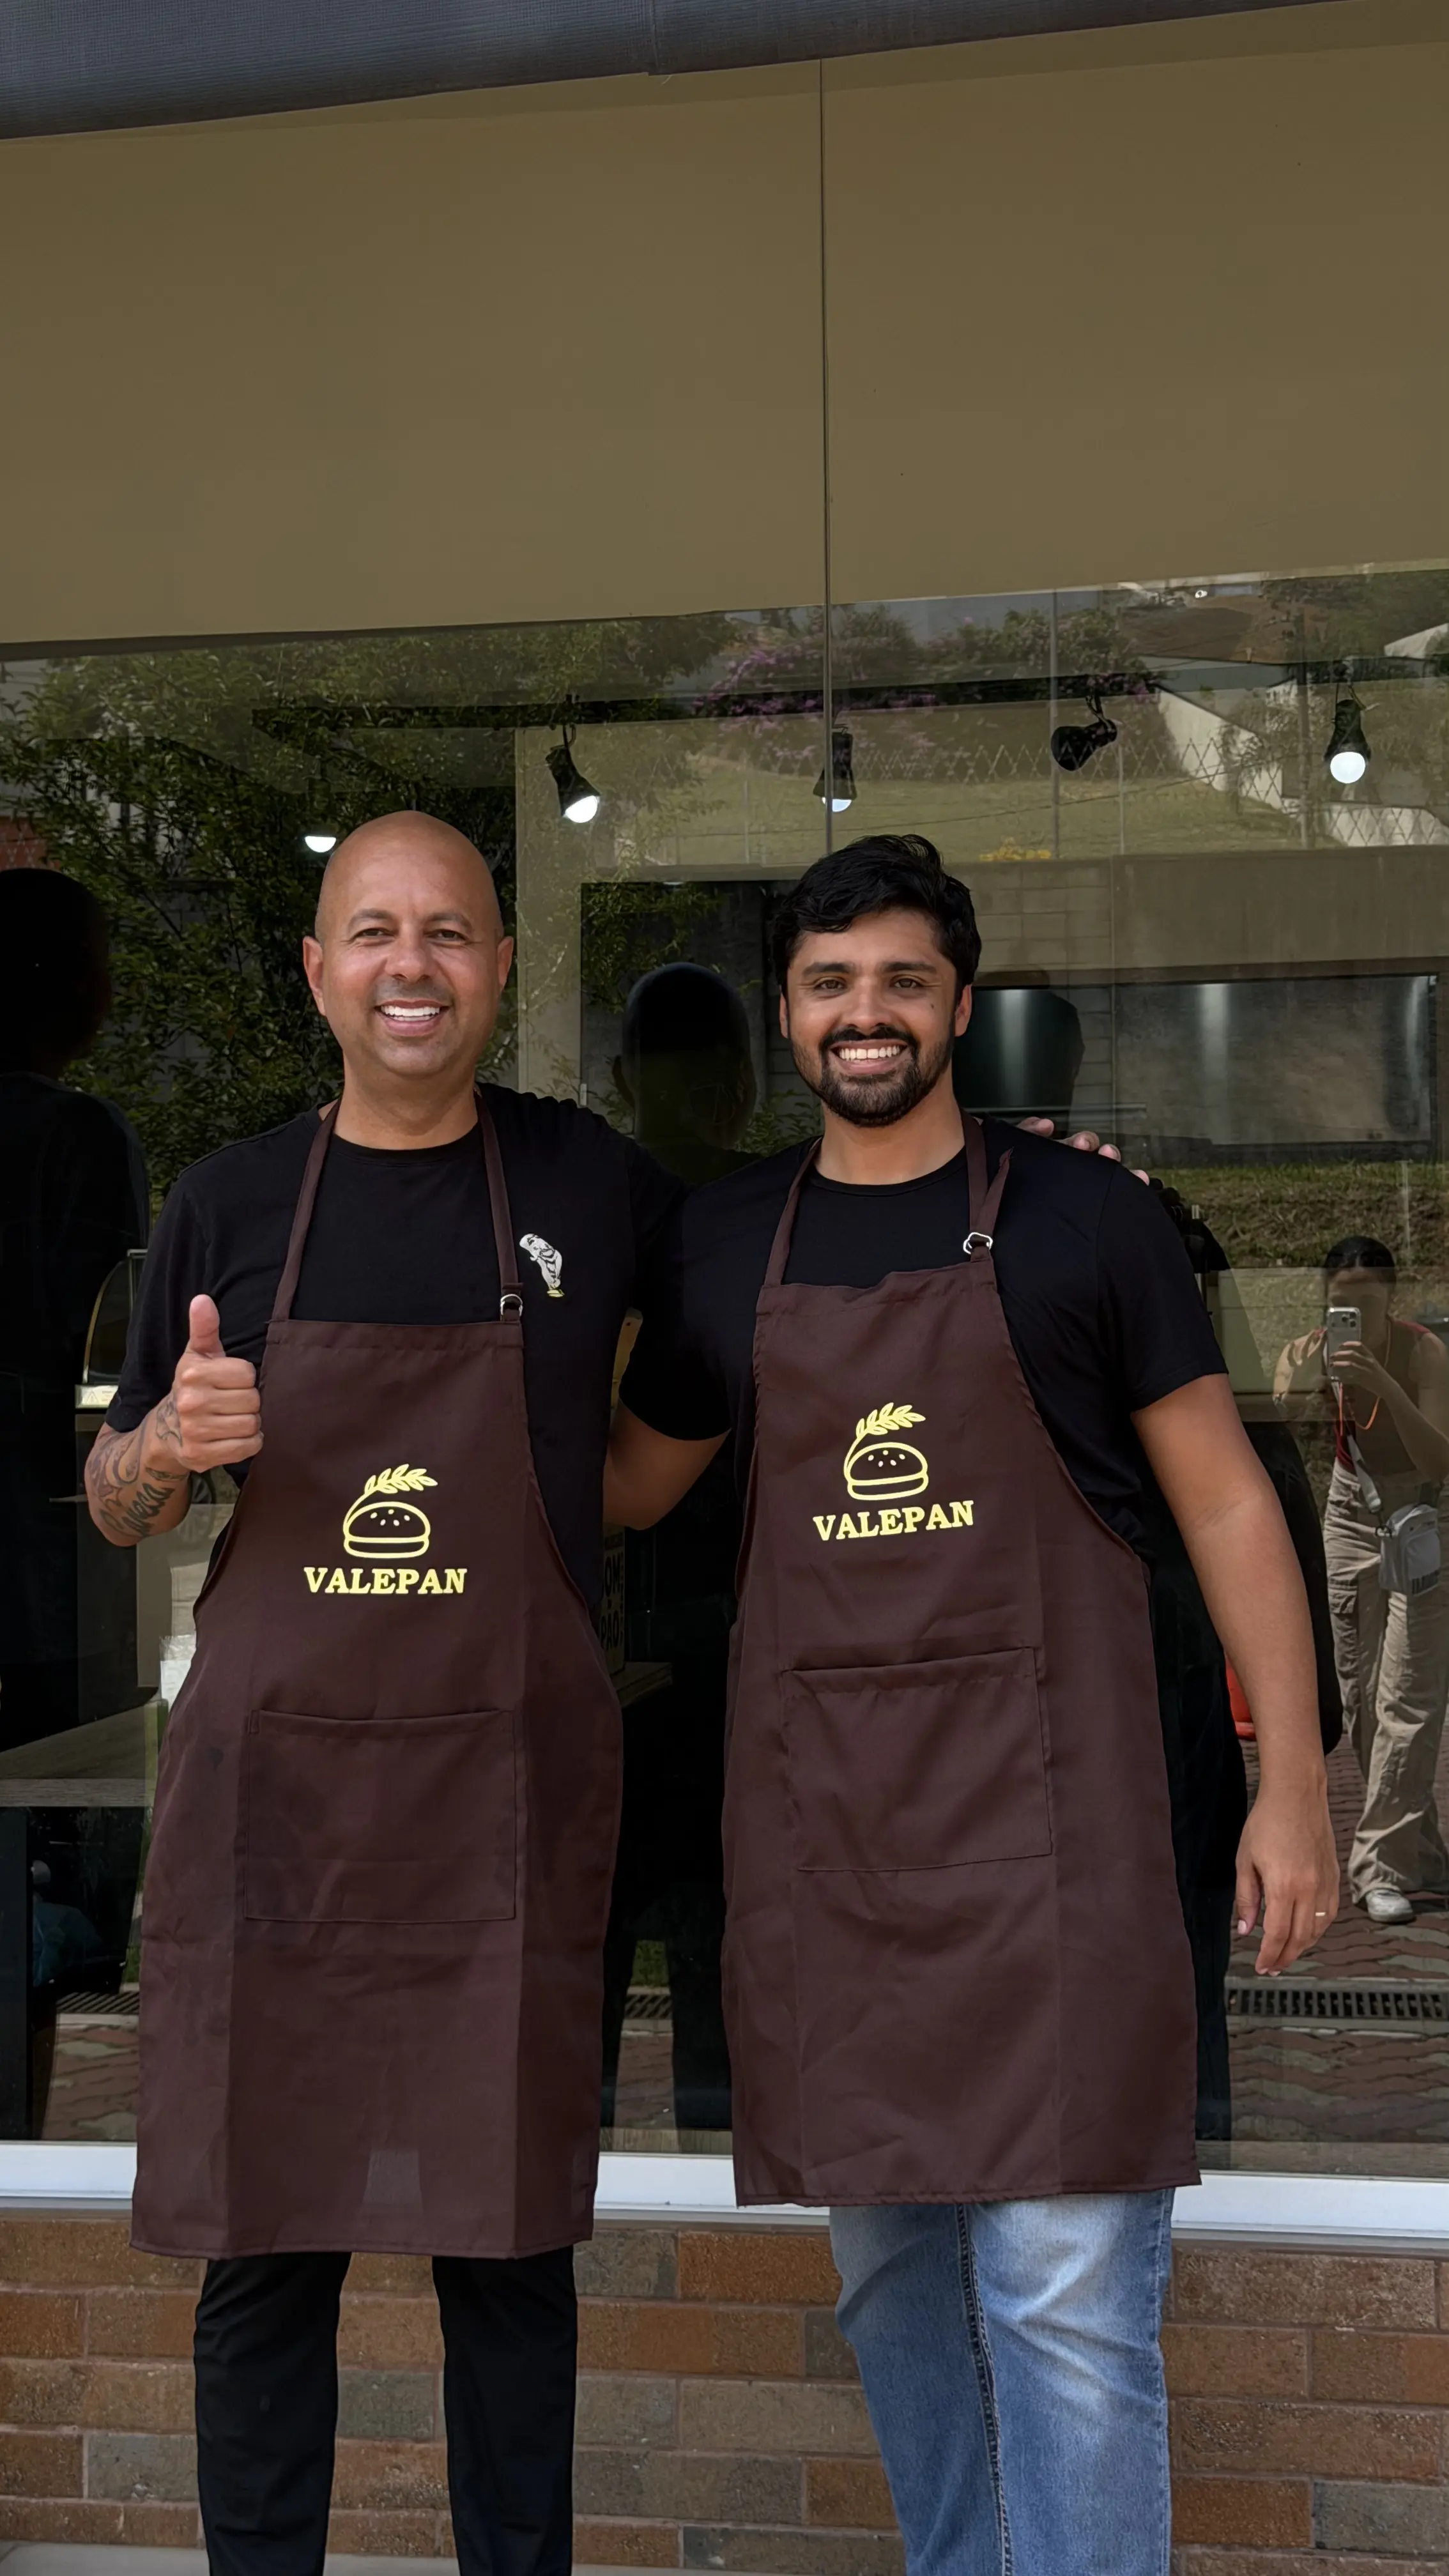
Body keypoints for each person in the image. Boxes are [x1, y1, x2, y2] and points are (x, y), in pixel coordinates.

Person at [604, 834, 1339, 2576]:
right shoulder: (723, 1244)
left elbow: (1228, 1503)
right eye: (830, 984)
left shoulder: (1089, 1218)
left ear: (958, 1004)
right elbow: (629, 1483)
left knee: (1064, 2306)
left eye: (901, 982)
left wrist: (1294, 1781)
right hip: (834, 1858)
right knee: (891, 2290)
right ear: (789, 1013)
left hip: (1057, 1849)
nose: (865, 1015)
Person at [84, 813, 679, 2576]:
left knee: (510, 2262)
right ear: (317, 972)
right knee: (265, 2259)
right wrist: (163, 1449)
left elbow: (769, 1305)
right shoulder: (228, 1202)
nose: (410, 965)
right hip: (282, 1819)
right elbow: (114, 1496)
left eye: (447, 931)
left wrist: (1021, 1186)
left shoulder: (590, 1185)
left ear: (500, 965)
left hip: (496, 1811)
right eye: (372, 932)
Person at [1275, 1235, 1449, 1926]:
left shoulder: (1423, 1353)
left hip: (1420, 1510)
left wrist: (1384, 1386)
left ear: (1392, 1300)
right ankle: (1421, 1852)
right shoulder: (1315, 1348)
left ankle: (1378, 1868)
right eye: (1339, 1304)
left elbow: (1438, 1459)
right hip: (1351, 1511)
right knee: (1362, 1696)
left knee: (1410, 1696)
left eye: (1365, 1305)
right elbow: (1276, 1424)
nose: (1351, 1317)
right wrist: (1301, 1377)